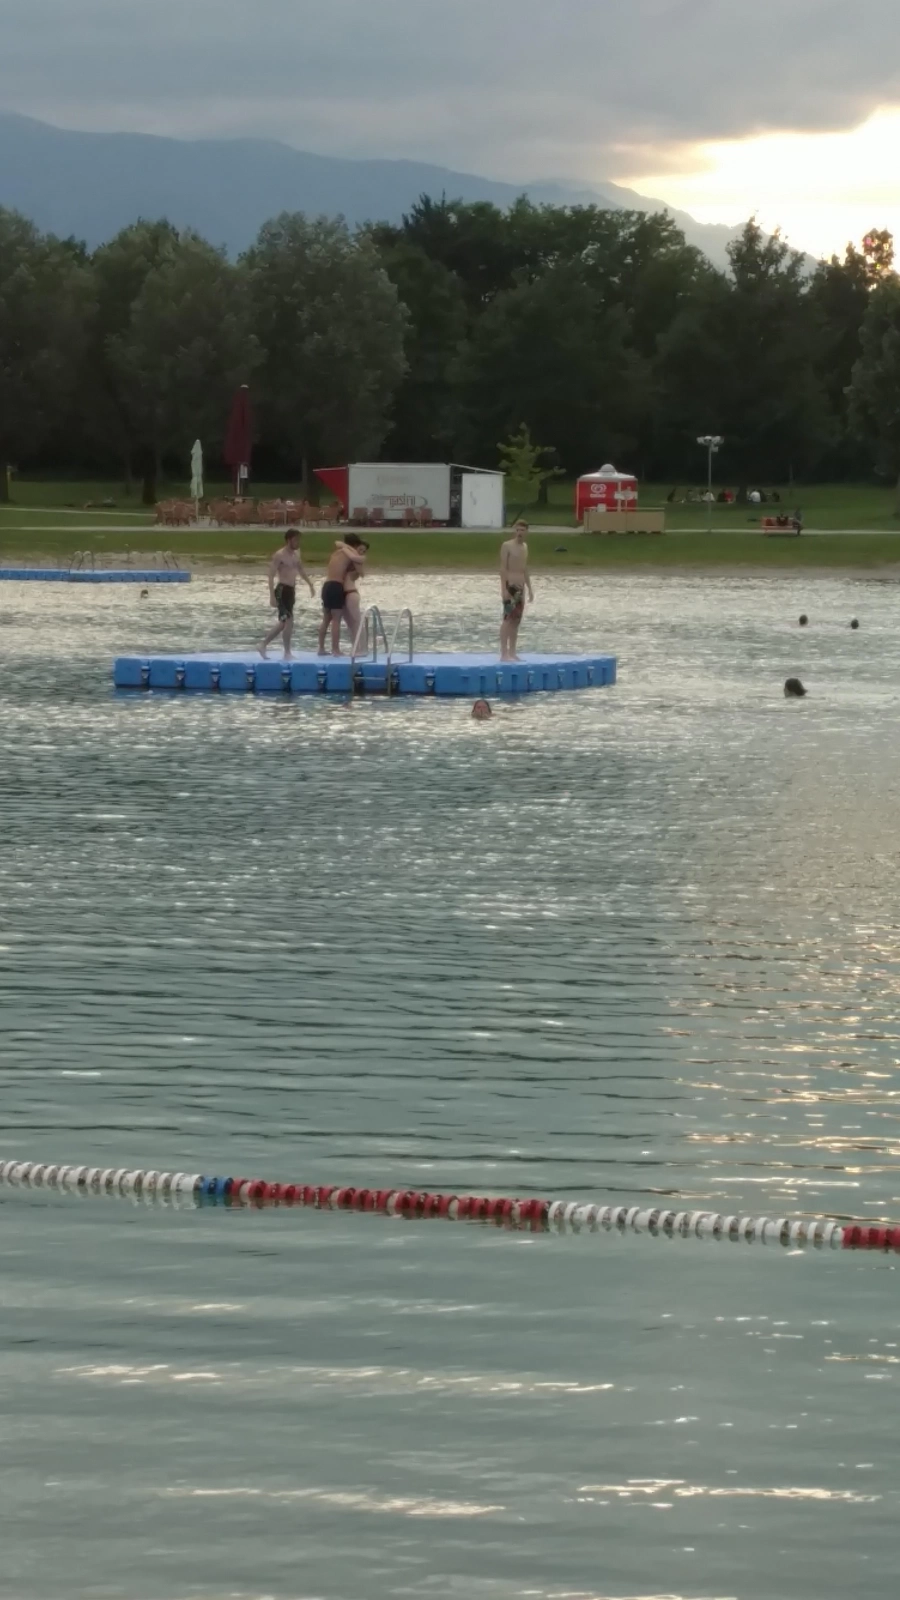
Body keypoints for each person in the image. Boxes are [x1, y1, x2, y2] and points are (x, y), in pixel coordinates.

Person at [260, 529, 314, 660]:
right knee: (287, 621)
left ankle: (273, 648)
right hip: (282, 590)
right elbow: (271, 575)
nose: (297, 542)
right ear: (288, 540)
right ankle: (277, 649)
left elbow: (300, 570)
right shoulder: (279, 555)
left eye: (298, 540)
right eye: (295, 540)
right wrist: (272, 596)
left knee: (286, 622)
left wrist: (310, 584)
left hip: (291, 590)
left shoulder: (296, 554)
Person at [317, 534, 367, 657]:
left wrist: (343, 545)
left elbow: (337, 543)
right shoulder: (350, 554)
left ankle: (321, 648)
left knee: (326, 619)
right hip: (336, 586)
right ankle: (336, 649)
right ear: (354, 545)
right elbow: (360, 565)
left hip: (326, 585)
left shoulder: (335, 554)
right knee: (336, 620)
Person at [499, 521, 534, 662]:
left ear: (526, 532)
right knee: (507, 619)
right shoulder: (507, 546)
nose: (520, 533)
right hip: (510, 586)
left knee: (516, 620)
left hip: (521, 588)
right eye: (518, 530)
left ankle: (512, 652)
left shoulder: (525, 547)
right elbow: (503, 569)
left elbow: (525, 569)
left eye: (522, 530)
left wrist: (530, 589)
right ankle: (503, 653)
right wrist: (504, 589)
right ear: (515, 531)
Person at [342, 540, 369, 651]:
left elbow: (361, 573)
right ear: (355, 548)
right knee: (350, 623)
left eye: (364, 550)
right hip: (343, 594)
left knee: (357, 622)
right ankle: (355, 648)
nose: (361, 552)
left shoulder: (358, 561)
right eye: (360, 549)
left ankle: (363, 648)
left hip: (351, 593)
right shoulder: (351, 559)